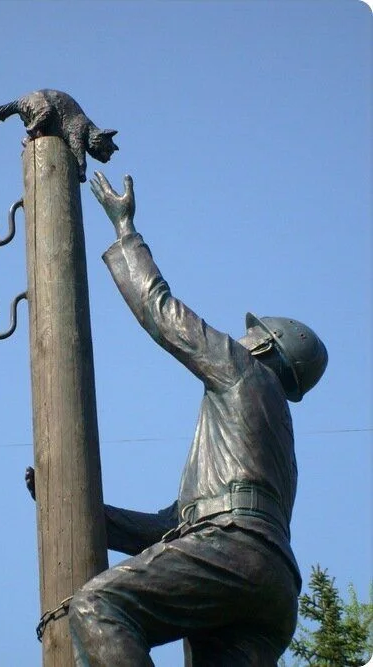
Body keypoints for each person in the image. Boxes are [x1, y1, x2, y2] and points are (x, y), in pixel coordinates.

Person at [27, 171, 328, 666]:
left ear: (264, 347)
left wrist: (126, 232)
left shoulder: (241, 369)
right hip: (272, 590)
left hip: (232, 553)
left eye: (250, 334)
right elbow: (176, 528)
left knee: (99, 605)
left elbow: (161, 311)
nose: (241, 336)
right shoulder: (278, 453)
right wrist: (76, 511)